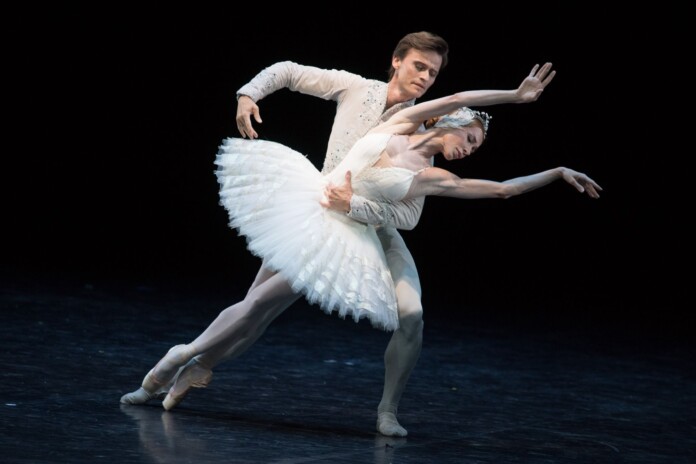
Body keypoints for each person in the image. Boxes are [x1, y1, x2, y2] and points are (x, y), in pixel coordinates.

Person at [121, 63, 600, 437]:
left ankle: (178, 363)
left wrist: (555, 172)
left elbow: (502, 190)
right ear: (450, 122)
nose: (471, 149)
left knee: (262, 306)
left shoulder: (434, 178)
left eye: (476, 147)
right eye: (470, 138)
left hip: (346, 235)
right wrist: (515, 96)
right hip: (310, 207)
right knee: (255, 307)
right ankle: (184, 361)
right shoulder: (399, 122)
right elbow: (458, 98)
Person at [122, 31, 452, 438]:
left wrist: (354, 205)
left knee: (412, 315)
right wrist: (249, 93)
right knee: (257, 308)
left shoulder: (421, 130)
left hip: (370, 228)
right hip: (318, 215)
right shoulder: (357, 89)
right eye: (419, 66)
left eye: (433, 73)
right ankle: (196, 364)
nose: (425, 77)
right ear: (397, 61)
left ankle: (388, 410)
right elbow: (290, 72)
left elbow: (410, 215)